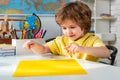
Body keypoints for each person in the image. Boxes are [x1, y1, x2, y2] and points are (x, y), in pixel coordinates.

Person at [23, 1, 110, 62]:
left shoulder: (92, 40)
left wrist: (82, 49)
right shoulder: (61, 40)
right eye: (64, 28)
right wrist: (33, 45)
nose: (68, 32)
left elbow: (106, 53)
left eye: (72, 27)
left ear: (84, 25)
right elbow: (44, 49)